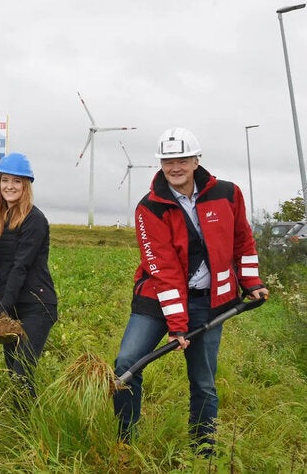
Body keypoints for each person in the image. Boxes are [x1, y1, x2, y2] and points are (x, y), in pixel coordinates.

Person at [113, 127, 267, 454]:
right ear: (161, 164)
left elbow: (243, 240)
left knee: (203, 381)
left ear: (196, 160)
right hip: (157, 300)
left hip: (210, 302)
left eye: (183, 158)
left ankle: (202, 453)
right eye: (168, 160)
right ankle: (124, 442)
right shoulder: (150, 207)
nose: (175, 167)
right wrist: (177, 325)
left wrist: (251, 282)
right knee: (127, 363)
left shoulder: (228, 194)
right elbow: (163, 269)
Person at [0, 152, 57, 398]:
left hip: (37, 306)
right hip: (14, 302)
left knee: (22, 371)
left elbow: (21, 266)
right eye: (5, 180)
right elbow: (8, 265)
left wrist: (2, 310)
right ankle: (21, 425)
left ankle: (32, 429)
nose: (10, 186)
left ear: (26, 185)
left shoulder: (34, 219)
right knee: (12, 371)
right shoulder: (3, 218)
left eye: (17, 181)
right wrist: (0, 287)